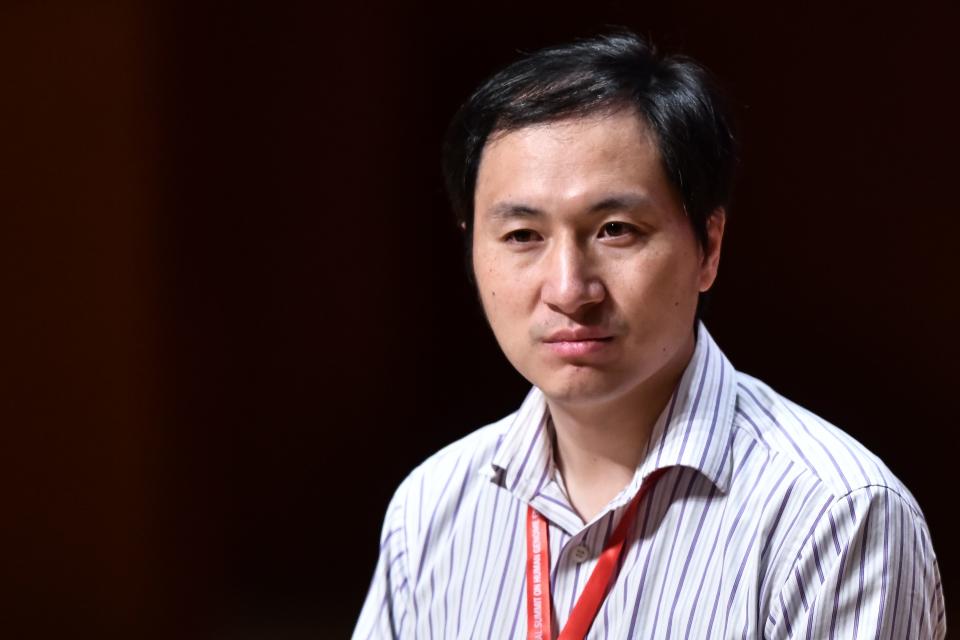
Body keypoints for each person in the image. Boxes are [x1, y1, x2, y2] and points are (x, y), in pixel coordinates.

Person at [353, 31, 946, 639]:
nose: (568, 288)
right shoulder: (431, 510)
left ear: (708, 247)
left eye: (615, 229)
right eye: (522, 236)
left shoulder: (834, 516)